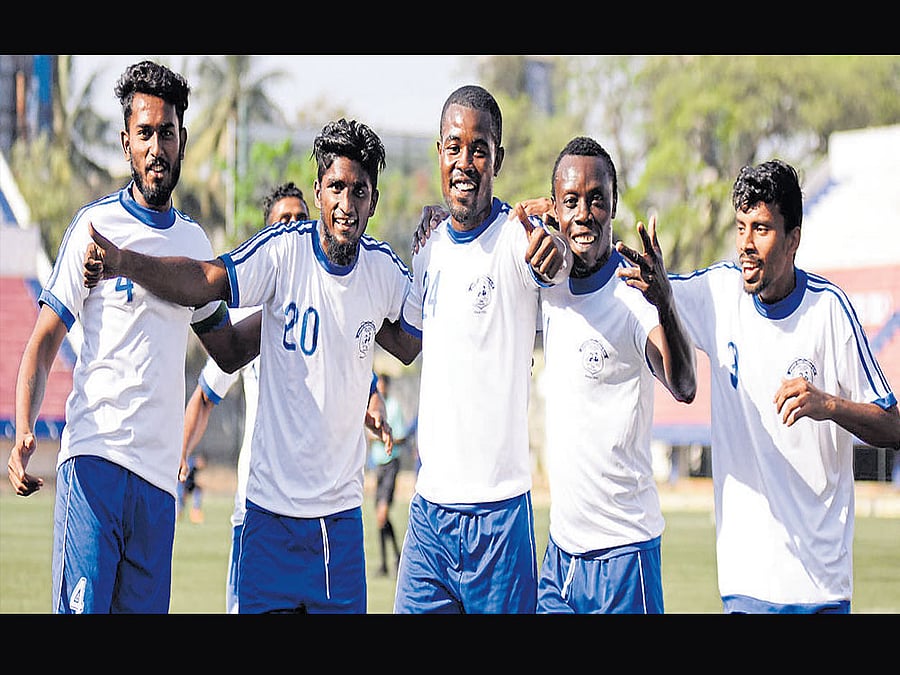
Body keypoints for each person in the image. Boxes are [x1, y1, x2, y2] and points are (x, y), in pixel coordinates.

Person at [84, 117, 409, 614]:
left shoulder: (383, 270)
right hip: (266, 521)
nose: (347, 204)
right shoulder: (282, 253)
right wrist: (126, 262)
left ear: (374, 200)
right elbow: (208, 280)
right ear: (320, 190)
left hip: (337, 527)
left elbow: (412, 341)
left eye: (359, 191)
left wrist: (443, 240)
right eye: (337, 187)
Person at [6, 60, 258, 614]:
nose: (156, 146)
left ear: (183, 140)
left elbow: (230, 349)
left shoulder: (195, 245)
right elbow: (45, 340)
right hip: (94, 462)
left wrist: (294, 299)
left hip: (158, 484)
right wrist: (25, 425)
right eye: (144, 133)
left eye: (166, 132)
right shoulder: (95, 227)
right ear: (126, 142)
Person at [619, 159, 900, 613]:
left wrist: (826, 404)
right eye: (741, 227)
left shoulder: (830, 311)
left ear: (793, 240)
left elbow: (893, 428)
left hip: (822, 588)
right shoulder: (718, 293)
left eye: (763, 229)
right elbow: (651, 290)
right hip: (747, 587)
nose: (746, 245)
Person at [380, 84, 571, 614]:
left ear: (498, 159)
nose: (465, 162)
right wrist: (350, 299)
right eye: (454, 147)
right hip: (428, 516)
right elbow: (407, 343)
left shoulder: (517, 238)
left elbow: (555, 258)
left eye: (480, 148)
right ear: (439, 153)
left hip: (499, 515)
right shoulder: (428, 248)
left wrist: (554, 244)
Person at [527, 136, 697, 613]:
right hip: (561, 557)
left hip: (625, 555)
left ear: (614, 205)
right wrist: (435, 219)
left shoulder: (633, 295)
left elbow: (684, 386)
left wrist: (664, 301)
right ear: (555, 208)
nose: (584, 212)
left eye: (596, 199)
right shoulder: (548, 284)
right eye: (571, 201)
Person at [179, 181, 309, 612]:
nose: (292, 229)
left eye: (300, 220)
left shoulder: (332, 304)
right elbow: (204, 396)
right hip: (255, 510)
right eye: (282, 221)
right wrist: (179, 454)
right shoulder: (247, 322)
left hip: (319, 510)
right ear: (265, 235)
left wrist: (374, 405)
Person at [367, 372, 407, 577]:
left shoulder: (394, 407)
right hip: (378, 465)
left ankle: (399, 557)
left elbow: (401, 436)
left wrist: (386, 437)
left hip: (391, 463)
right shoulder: (371, 403)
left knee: (382, 513)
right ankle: (387, 562)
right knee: (379, 517)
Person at [176, 452, 206, 523]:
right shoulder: (190, 464)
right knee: (180, 496)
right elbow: (182, 479)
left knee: (198, 490)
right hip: (181, 485)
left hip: (188, 485)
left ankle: (196, 511)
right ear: (199, 460)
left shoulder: (195, 467)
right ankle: (178, 511)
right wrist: (184, 491)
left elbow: (191, 479)